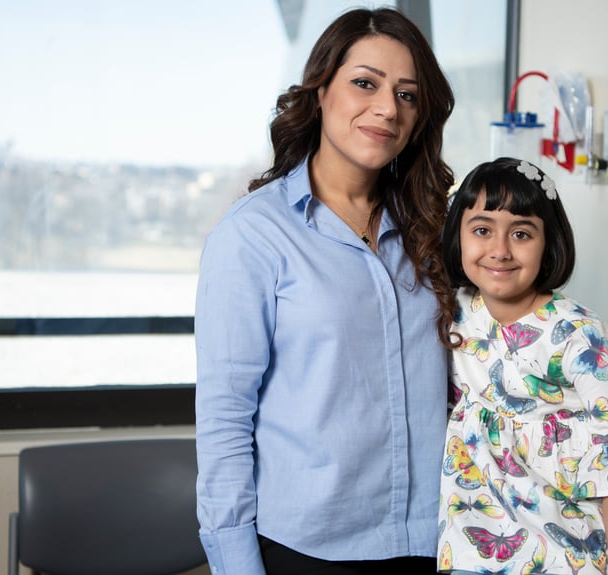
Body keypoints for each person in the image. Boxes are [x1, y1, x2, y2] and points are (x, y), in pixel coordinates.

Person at [194, 8, 455, 575]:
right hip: (306, 551)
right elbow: (224, 421)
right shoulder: (252, 236)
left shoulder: (435, 231)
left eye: (408, 95)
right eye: (365, 83)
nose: (387, 108)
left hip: (439, 541)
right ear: (319, 93)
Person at [435, 157, 608, 575]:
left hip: (581, 520)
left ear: (549, 243)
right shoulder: (454, 312)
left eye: (521, 233)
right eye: (482, 230)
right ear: (458, 236)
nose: (500, 250)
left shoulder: (580, 336)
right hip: (486, 516)